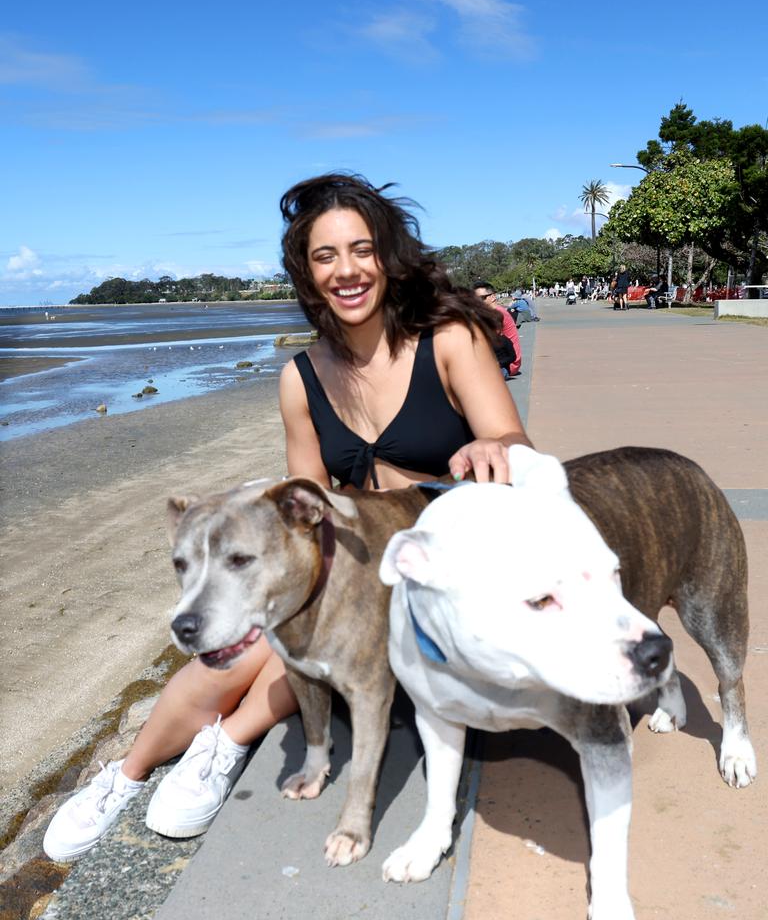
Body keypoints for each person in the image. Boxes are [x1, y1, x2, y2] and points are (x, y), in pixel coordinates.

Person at [43, 173, 532, 863]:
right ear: (306, 272)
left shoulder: (448, 339)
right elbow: (302, 500)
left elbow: (517, 451)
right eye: (325, 256)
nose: (347, 270)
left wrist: (491, 444)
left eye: (361, 250)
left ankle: (229, 743)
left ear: (388, 257)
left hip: (440, 555)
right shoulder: (301, 376)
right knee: (249, 634)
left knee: (287, 643)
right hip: (355, 549)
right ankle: (123, 777)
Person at [472, 281, 522, 379]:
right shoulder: (494, 312)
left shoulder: (497, 314)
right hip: (504, 361)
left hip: (507, 364)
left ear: (493, 297)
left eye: (481, 298)